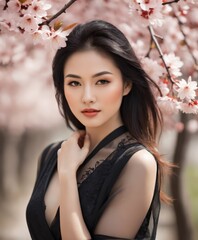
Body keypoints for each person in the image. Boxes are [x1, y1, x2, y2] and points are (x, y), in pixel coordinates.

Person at [26, 19, 170, 240]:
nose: (87, 97)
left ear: (127, 85)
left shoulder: (137, 164)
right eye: (74, 83)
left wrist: (67, 176)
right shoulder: (51, 155)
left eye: (102, 81)